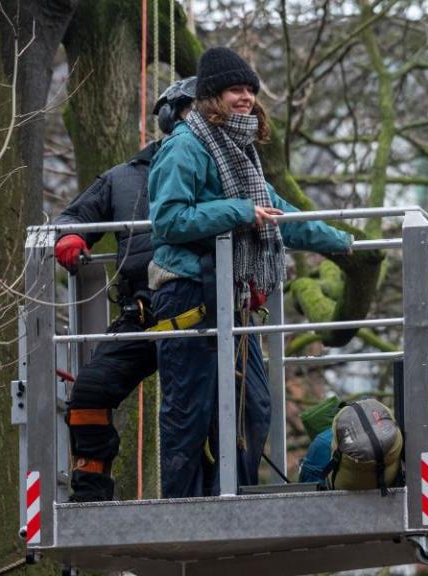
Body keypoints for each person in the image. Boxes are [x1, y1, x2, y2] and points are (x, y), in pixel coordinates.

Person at [147, 47, 353, 498]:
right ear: (210, 96)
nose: (245, 98)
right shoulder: (186, 146)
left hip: (232, 299)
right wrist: (237, 211)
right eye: (235, 89)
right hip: (187, 295)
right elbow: (168, 221)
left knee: (252, 409)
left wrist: (342, 243)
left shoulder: (241, 156)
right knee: (190, 413)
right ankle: (183, 513)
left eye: (250, 90)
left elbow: (281, 215)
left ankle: (232, 502)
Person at [53, 77, 196, 502]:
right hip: (143, 312)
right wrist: (69, 238)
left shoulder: (220, 170)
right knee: (89, 394)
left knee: (196, 410)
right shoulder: (123, 179)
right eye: (189, 113)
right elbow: (73, 216)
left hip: (202, 312)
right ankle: (91, 490)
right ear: (171, 118)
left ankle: (203, 495)